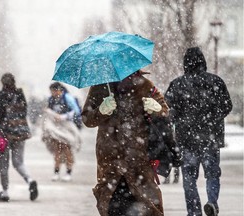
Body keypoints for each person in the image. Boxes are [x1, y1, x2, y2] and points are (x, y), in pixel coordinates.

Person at [81, 70, 169, 216]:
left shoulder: (145, 85)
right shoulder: (101, 86)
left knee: (147, 207)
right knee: (112, 206)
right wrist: (101, 110)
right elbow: (87, 119)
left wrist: (157, 109)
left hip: (139, 160)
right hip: (110, 161)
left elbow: (165, 113)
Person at [165, 47, 233, 216]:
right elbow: (227, 106)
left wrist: (181, 120)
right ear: (203, 61)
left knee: (189, 177)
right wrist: (212, 119)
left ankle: (194, 211)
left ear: (185, 63)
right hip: (210, 138)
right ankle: (212, 202)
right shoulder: (216, 82)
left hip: (187, 139)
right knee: (212, 174)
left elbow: (168, 110)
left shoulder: (177, 84)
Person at [0, 73, 38, 202]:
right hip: (20, 132)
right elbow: (24, 111)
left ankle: (5, 191)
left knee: (3, 163)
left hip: (5, 132)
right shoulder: (20, 93)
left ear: (3, 83)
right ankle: (30, 181)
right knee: (18, 162)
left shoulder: (1, 95)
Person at [42, 82, 81, 182]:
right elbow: (49, 112)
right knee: (57, 150)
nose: (53, 94)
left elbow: (76, 111)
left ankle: (68, 173)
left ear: (59, 90)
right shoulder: (51, 99)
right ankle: (56, 172)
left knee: (67, 150)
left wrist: (64, 116)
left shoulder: (67, 98)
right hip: (56, 129)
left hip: (67, 128)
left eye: (54, 91)